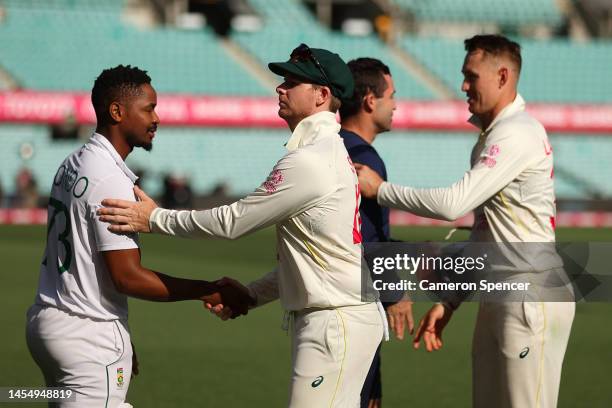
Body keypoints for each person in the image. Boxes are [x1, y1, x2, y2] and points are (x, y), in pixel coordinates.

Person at [98, 44, 387, 407]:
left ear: (322, 96)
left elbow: (232, 222)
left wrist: (154, 218)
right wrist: (251, 294)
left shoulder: (312, 160)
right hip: (336, 318)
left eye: (293, 82)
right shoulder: (323, 153)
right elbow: (309, 262)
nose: (280, 88)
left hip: (334, 322)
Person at [357, 35, 575, 408]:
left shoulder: (516, 132)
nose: (463, 86)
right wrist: (452, 300)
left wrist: (380, 190)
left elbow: (453, 203)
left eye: (471, 76)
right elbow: (485, 233)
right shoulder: (495, 136)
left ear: (503, 76)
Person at [26, 65, 248, 407]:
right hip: (88, 338)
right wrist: (209, 289)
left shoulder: (72, 163)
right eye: (148, 108)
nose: (156, 118)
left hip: (49, 324)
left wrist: (120, 340)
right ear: (117, 111)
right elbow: (127, 277)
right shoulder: (109, 179)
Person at [339, 57, 413, 408]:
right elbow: (365, 241)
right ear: (370, 100)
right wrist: (395, 292)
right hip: (354, 307)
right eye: (392, 96)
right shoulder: (363, 158)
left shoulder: (336, 147)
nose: (396, 104)